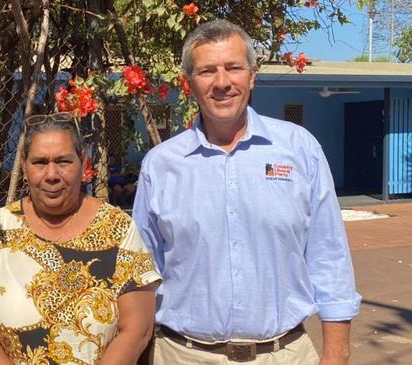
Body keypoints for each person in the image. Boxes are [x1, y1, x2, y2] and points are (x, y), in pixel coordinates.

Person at [133, 19, 361, 365]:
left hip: (285, 355)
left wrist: (336, 355)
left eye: (234, 68)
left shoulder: (300, 150)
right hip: (182, 356)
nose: (222, 82)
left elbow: (329, 259)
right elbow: (142, 274)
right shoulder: (160, 166)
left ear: (252, 75)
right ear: (188, 83)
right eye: (207, 71)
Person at [0, 112, 161, 365]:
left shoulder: (118, 228)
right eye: (39, 162)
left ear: (83, 163)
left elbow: (137, 330)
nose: (51, 174)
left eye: (63, 161)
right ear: (25, 165)